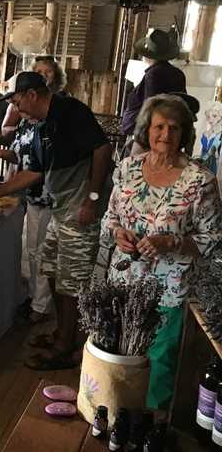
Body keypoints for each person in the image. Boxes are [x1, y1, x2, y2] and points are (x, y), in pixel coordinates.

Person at [0, 72, 112, 370]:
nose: (16, 107)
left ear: (32, 95)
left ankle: (67, 347)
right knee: (50, 267)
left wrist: (91, 199)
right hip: (60, 208)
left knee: (72, 281)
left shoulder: (70, 111)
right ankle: (61, 334)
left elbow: (102, 149)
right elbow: (34, 172)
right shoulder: (39, 126)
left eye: (16, 100)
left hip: (79, 210)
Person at [103, 94, 221, 411]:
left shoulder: (200, 181)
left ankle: (149, 427)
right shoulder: (127, 169)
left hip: (170, 289)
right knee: (120, 352)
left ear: (185, 134)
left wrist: (171, 242)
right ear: (146, 129)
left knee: (159, 360)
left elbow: (213, 237)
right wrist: (118, 234)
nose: (165, 135)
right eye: (159, 126)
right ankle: (113, 415)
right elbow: (110, 219)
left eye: (174, 128)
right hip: (124, 280)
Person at [0, 110, 54, 324]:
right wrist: (1, 154)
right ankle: (33, 298)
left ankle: (41, 307)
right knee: (31, 249)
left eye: (17, 101)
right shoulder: (25, 124)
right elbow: (19, 155)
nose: (16, 105)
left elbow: (38, 169)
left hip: (49, 197)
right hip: (31, 197)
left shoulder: (49, 126)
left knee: (42, 252)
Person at [121, 28, 187, 139]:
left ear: (147, 56)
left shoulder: (153, 75)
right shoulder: (178, 73)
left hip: (149, 133)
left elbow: (151, 107)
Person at [2, 55, 68, 138]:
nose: (44, 75)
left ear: (56, 75)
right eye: (39, 72)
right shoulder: (19, 101)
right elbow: (4, 129)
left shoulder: (63, 99)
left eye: (49, 71)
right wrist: (22, 131)